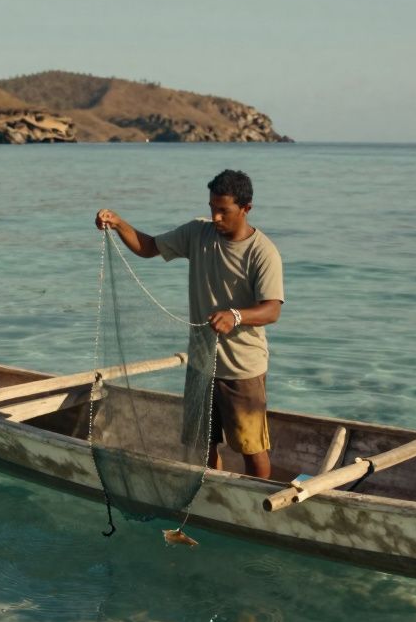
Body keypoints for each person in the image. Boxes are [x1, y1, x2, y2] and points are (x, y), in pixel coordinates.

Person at [95, 169, 284, 479]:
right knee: (203, 445)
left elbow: (272, 310)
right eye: (212, 208)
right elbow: (149, 247)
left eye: (224, 210)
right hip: (200, 366)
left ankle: (259, 507)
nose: (216, 217)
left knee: (252, 448)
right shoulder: (199, 233)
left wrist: (236, 315)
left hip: (242, 370)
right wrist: (118, 223)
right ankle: (209, 495)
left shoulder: (262, 252)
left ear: (246, 208)